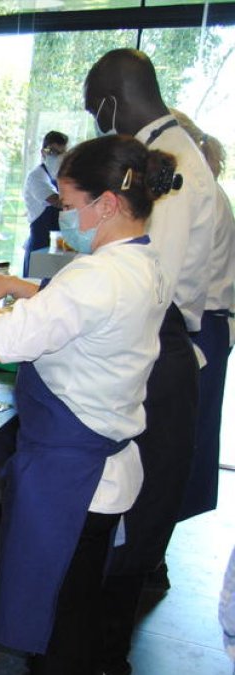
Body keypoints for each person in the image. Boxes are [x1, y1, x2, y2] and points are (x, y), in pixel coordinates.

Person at [0, 135, 177, 675]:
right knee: (75, 606)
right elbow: (86, 307)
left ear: (107, 203)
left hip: (72, 479)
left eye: (71, 205)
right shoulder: (144, 261)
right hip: (105, 469)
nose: (65, 217)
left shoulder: (97, 275)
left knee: (58, 624)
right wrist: (16, 285)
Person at [84, 48, 221, 675]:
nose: (97, 122)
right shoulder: (173, 152)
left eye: (96, 110)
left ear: (112, 103)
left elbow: (145, 282)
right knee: (142, 499)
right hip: (164, 337)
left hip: (166, 346)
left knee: (141, 508)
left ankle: (106, 650)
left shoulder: (171, 168)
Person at [171, 109, 233, 524]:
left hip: (200, 326)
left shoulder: (196, 194)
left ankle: (152, 545)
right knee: (188, 436)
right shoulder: (209, 191)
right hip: (208, 323)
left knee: (182, 440)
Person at [22, 130, 69, 276]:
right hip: (41, 245)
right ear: (43, 152)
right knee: (37, 287)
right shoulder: (37, 177)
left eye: (62, 153)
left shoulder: (62, 178)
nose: (58, 157)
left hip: (60, 245)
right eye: (53, 152)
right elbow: (57, 201)